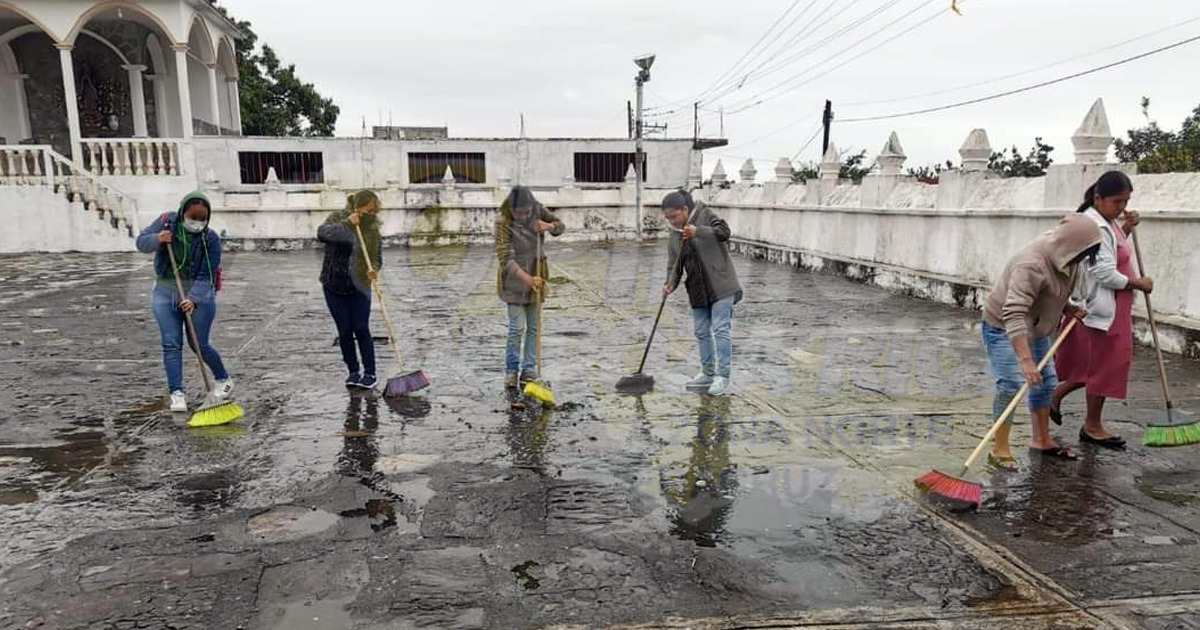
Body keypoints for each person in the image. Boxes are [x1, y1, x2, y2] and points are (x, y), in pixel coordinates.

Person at [981, 213, 1102, 467]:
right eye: (1084, 253)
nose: (1084, 260)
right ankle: (999, 449)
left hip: (1036, 328)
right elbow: (1013, 312)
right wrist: (1025, 360)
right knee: (1012, 383)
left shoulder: (1066, 256)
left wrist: (1067, 308)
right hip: (1004, 325)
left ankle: (1042, 439)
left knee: (1046, 381)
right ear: (1072, 246)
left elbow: (1050, 291)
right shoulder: (1032, 264)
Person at [1051, 171, 1152, 449]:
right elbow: (1104, 272)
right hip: (1104, 306)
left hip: (1112, 306)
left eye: (1126, 201)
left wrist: (1126, 228)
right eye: (1118, 201)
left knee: (1095, 365)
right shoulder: (1095, 226)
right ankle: (1093, 425)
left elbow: (1113, 251)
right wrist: (1137, 283)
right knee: (1106, 366)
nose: (1122, 207)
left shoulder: (1106, 222)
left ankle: (1058, 394)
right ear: (1099, 198)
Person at [135, 191, 233, 412]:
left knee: (198, 343)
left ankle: (223, 379)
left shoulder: (211, 238)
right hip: (165, 291)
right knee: (171, 343)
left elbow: (207, 274)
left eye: (202, 219)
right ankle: (176, 393)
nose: (197, 223)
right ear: (182, 213)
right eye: (192, 217)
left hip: (199, 294)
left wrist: (193, 299)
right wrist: (157, 239)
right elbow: (141, 243)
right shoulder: (166, 222)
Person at [661, 190, 742, 396]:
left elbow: (724, 232)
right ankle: (707, 372)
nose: (672, 221)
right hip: (697, 288)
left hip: (721, 284)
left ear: (685, 210)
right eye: (668, 218)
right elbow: (675, 263)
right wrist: (670, 283)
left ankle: (723, 377)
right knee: (701, 331)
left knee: (721, 329)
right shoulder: (675, 233)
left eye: (674, 216)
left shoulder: (705, 215)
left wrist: (698, 232)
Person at [495, 186, 564, 389]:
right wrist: (527, 279)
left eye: (527, 211)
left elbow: (561, 226)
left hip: (538, 275)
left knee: (534, 327)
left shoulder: (537, 209)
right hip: (514, 282)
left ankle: (529, 369)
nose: (524, 216)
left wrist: (548, 226)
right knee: (517, 328)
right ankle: (511, 371)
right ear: (511, 208)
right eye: (520, 212)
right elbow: (505, 258)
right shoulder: (502, 222)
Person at [318, 190, 382, 390]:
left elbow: (377, 256)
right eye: (368, 210)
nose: (371, 214)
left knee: (361, 328)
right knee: (345, 330)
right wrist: (347, 224)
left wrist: (374, 269)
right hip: (334, 284)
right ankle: (353, 371)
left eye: (374, 211)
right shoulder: (337, 218)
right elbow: (322, 234)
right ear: (358, 206)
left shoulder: (372, 227)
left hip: (360, 285)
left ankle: (370, 372)